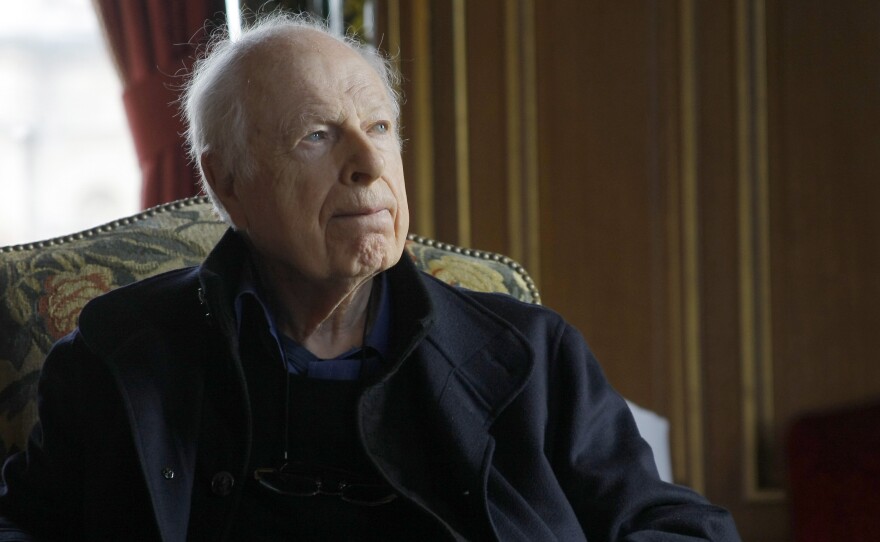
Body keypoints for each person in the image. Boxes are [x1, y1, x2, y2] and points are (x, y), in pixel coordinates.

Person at [0, 13, 740, 541]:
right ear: (230, 186)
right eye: (317, 136)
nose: (369, 164)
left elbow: (674, 524)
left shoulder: (529, 355)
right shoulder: (120, 352)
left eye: (379, 128)